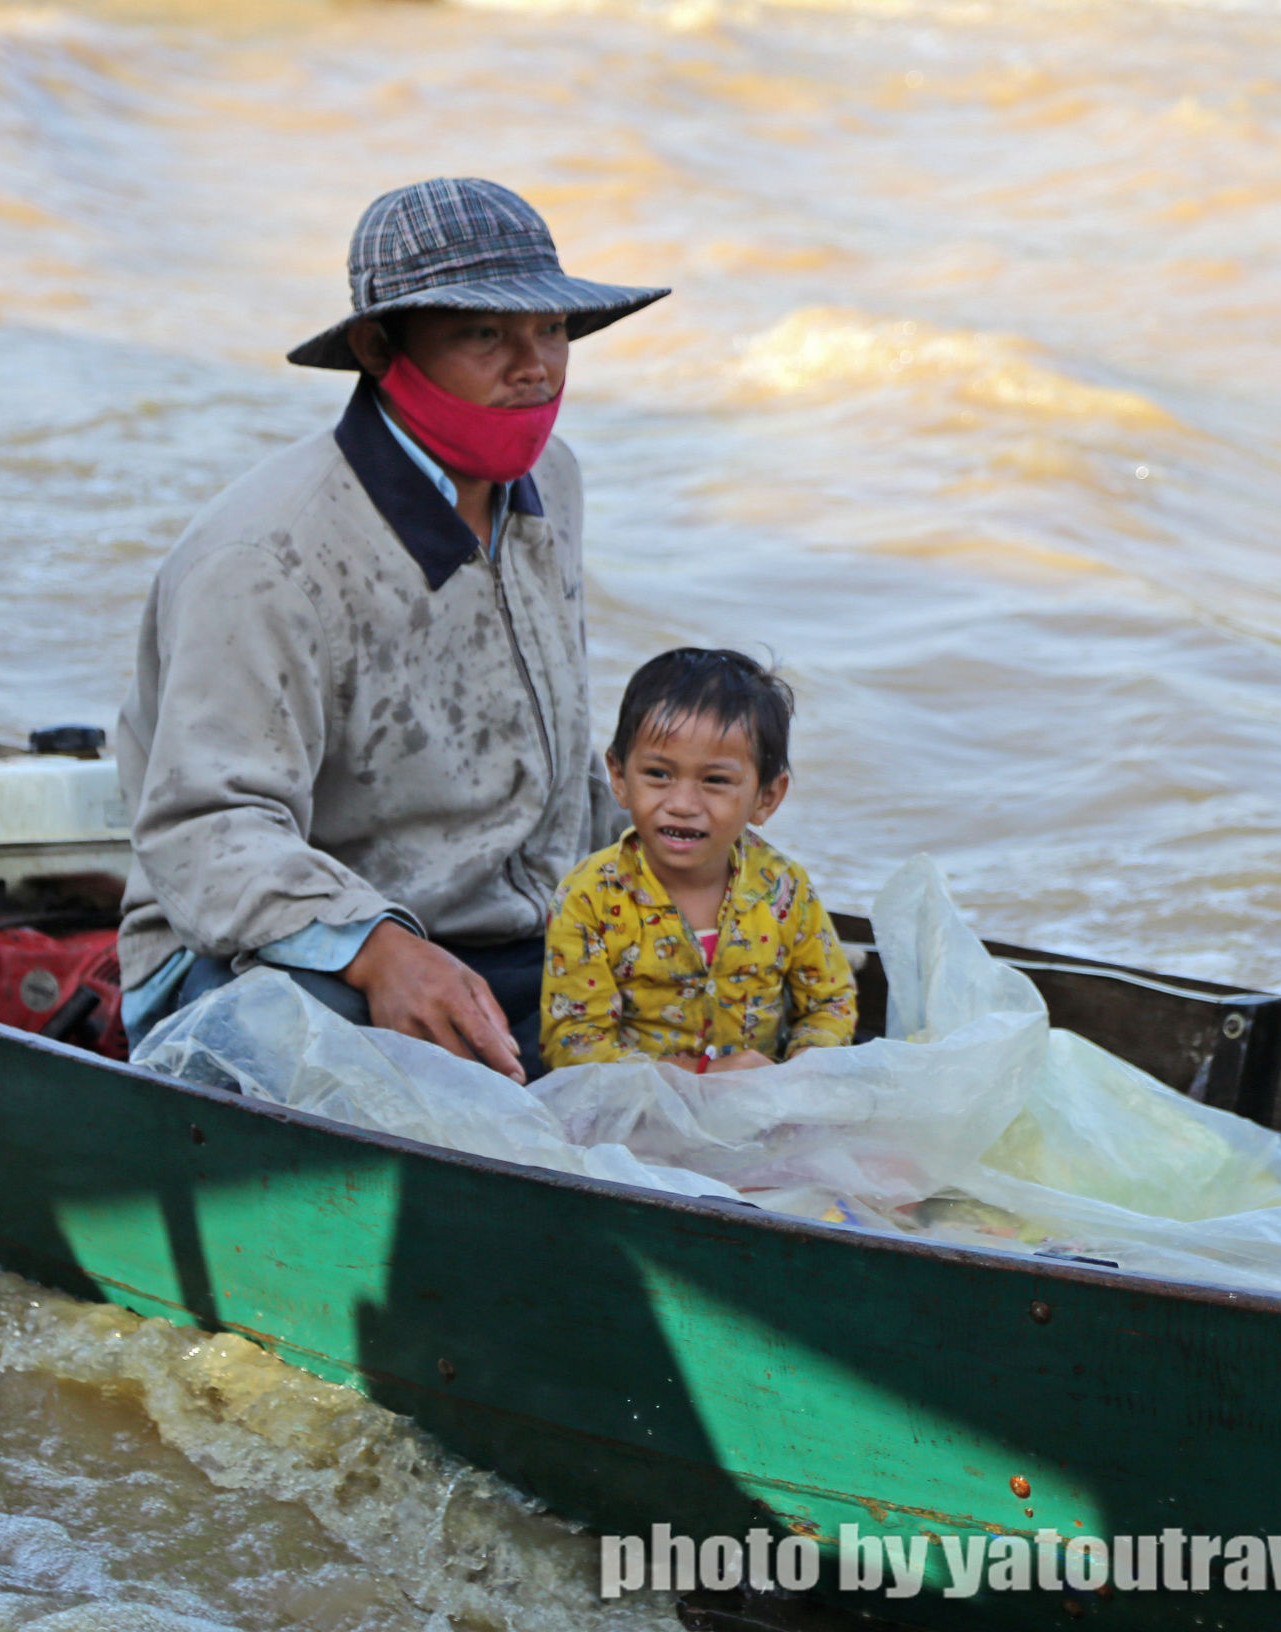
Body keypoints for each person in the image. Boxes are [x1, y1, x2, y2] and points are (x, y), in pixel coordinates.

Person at [115, 177, 667, 1080]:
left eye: (552, 330)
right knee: (304, 1038)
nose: (535, 367)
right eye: (484, 334)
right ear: (379, 348)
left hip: (506, 940)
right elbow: (205, 829)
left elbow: (563, 758)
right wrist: (378, 949)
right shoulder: (266, 555)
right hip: (276, 960)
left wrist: (669, 864)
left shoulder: (551, 484)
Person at [540, 649, 858, 1071]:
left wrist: (805, 1064)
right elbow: (573, 1043)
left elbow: (830, 1001)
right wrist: (702, 1078)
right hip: (640, 1118)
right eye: (658, 774)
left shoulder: (783, 889)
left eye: (715, 781)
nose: (683, 804)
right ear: (618, 777)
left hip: (760, 1106)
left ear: (766, 797)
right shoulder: (590, 897)